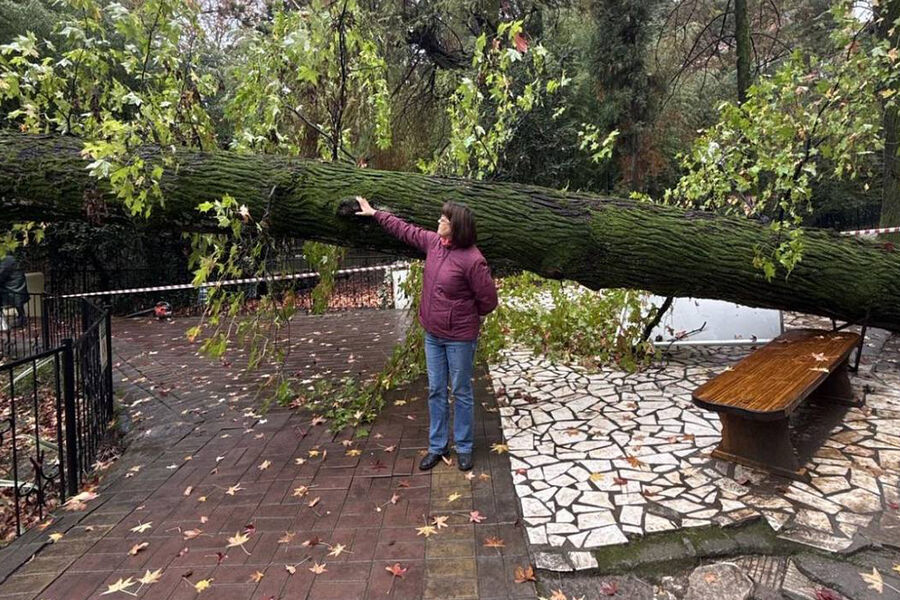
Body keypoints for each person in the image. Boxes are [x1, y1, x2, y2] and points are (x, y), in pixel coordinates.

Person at [355, 196, 498, 471]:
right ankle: (437, 446)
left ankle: (465, 447)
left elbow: (488, 301)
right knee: (435, 389)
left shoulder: (473, 260)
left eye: (444, 219)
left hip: (459, 338)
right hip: (432, 334)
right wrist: (375, 214)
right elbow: (404, 230)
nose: (438, 221)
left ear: (456, 226)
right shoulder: (434, 243)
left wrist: (462, 316)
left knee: (461, 390)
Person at [0, 255, 29, 328]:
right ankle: (22, 319)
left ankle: (2, 323)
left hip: (12, 289)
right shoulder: (10, 258)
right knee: (19, 306)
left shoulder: (7, 259)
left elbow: (1, 274)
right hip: (16, 287)